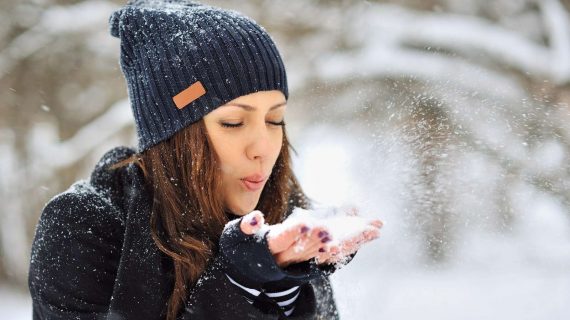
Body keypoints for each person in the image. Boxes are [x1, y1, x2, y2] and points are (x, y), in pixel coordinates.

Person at [27, 1, 382, 319]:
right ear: (174, 134)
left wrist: (281, 283)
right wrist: (239, 284)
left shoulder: (285, 221)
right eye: (233, 122)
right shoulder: (83, 227)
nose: (264, 148)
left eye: (275, 120)